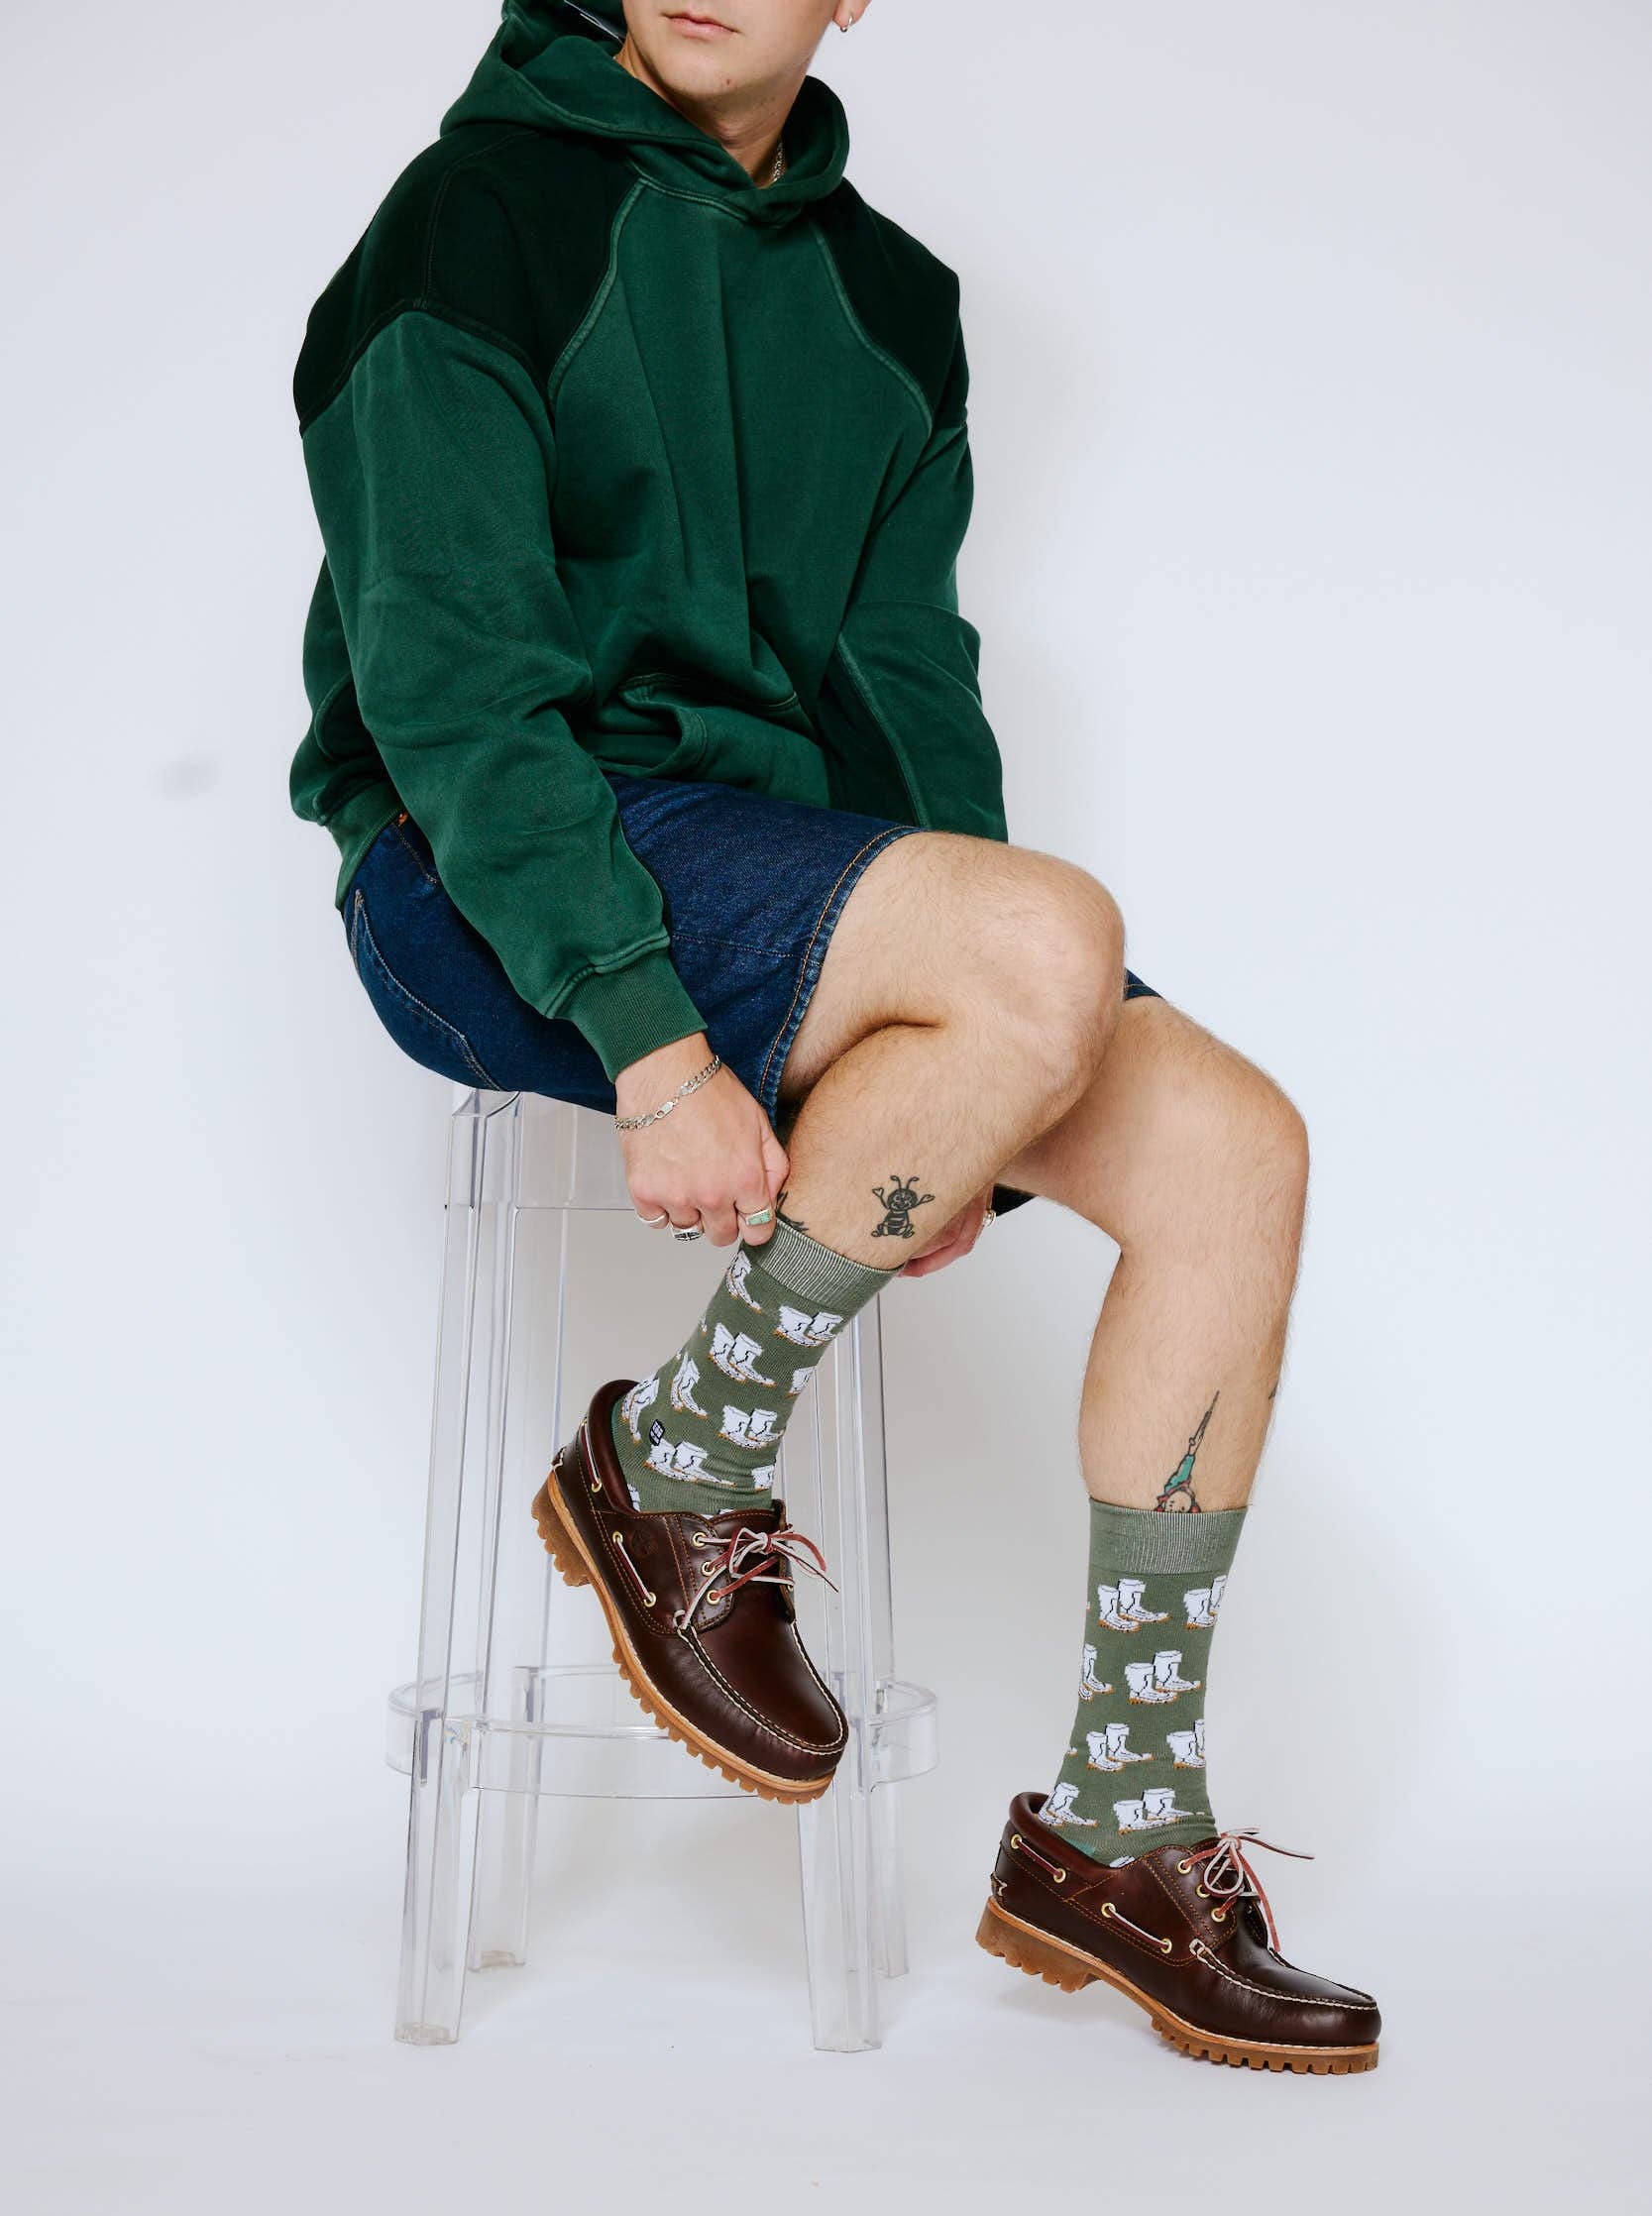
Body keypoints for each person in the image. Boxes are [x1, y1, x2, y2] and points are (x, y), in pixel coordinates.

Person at [290, 0, 1380, 2074]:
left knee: (1236, 1148)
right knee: (1049, 934)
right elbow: (451, 690)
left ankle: (1121, 1822)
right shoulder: (474, 219)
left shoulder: (892, 303)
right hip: (480, 880)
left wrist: (990, 1072)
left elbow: (905, 688)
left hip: (787, 885)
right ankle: (677, 1461)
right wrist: (647, 1040)